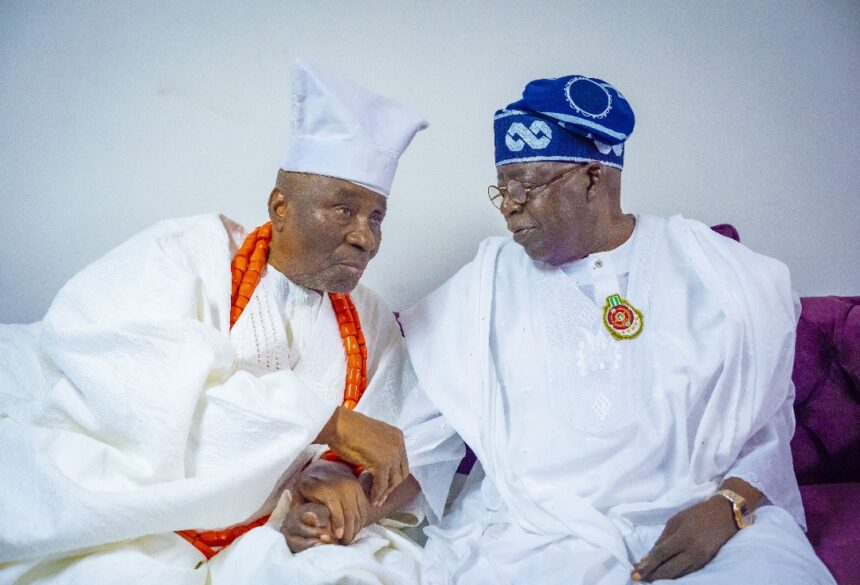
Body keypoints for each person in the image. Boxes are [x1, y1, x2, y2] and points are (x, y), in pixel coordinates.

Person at [0, 59, 462, 585]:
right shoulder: (185, 253)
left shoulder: (369, 317)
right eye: (343, 210)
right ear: (280, 206)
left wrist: (339, 491)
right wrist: (328, 422)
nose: (366, 237)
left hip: (274, 532)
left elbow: (411, 442)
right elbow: (139, 397)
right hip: (144, 515)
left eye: (376, 217)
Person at [398, 74, 836, 584]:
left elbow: (764, 416)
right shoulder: (485, 284)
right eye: (503, 189)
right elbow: (421, 430)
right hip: (537, 533)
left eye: (526, 186)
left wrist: (728, 508)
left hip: (697, 518)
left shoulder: (716, 273)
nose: (509, 205)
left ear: (591, 178)